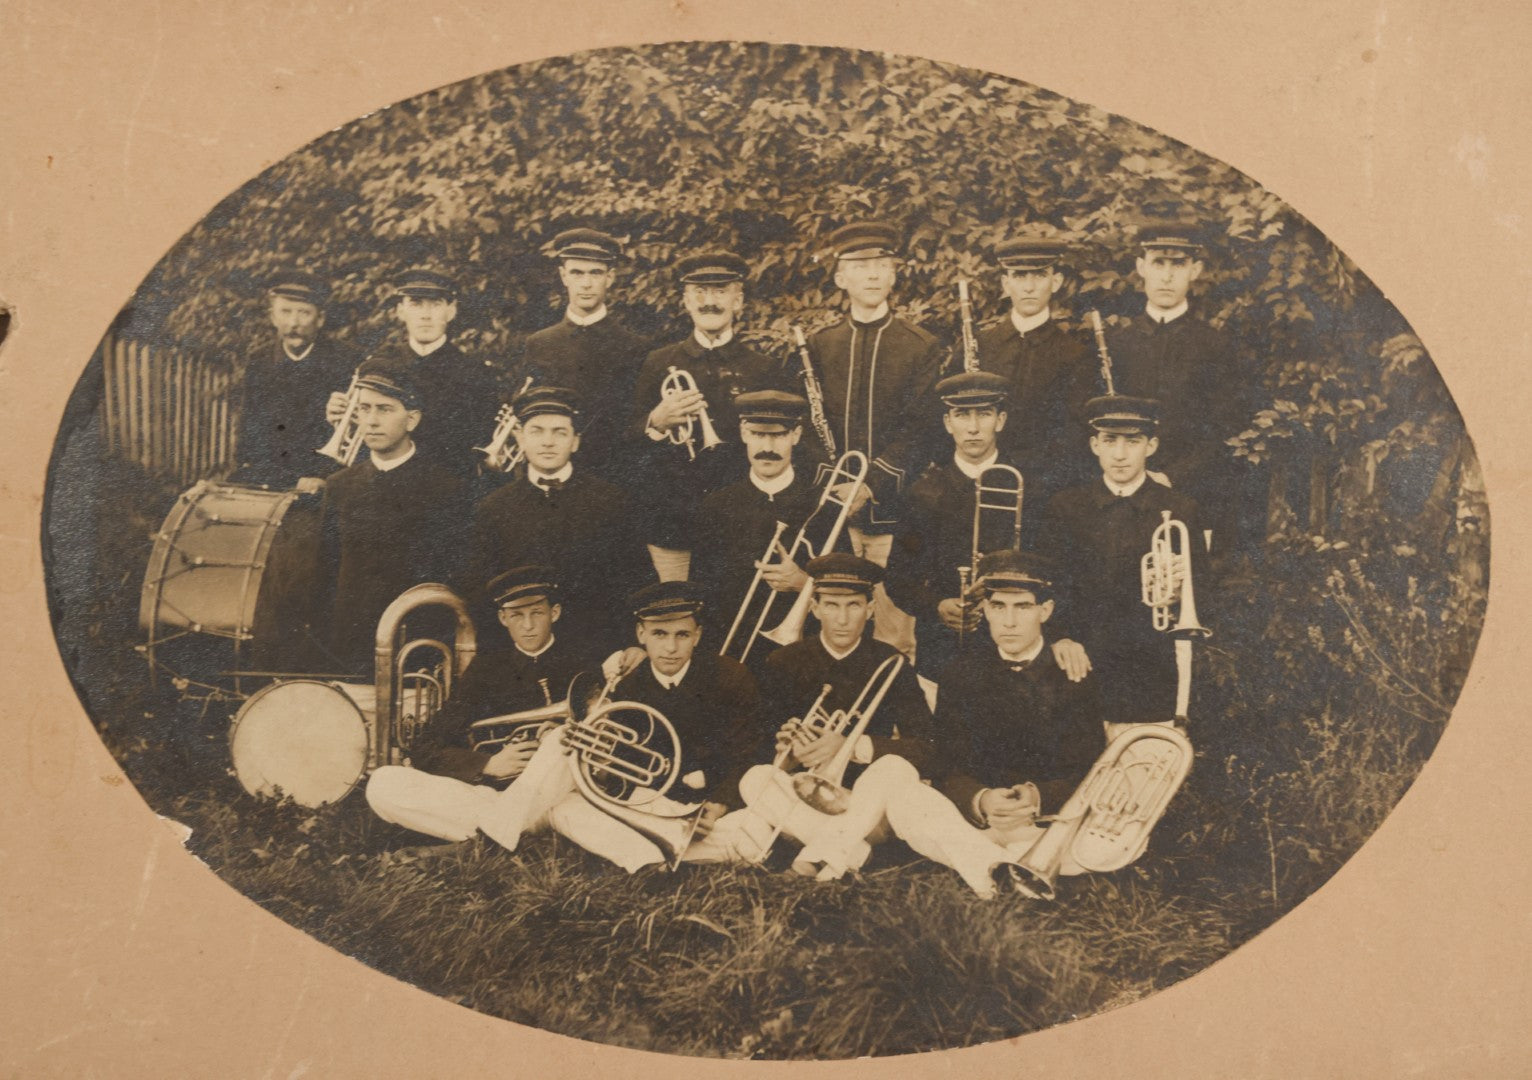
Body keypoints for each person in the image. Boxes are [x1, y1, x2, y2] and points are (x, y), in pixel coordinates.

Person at [757, 550, 1106, 899]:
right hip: (974, 821)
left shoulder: (1073, 671)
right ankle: (1002, 872)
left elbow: (1091, 770)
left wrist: (1036, 797)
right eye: (998, 607)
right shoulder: (960, 673)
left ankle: (990, 869)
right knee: (902, 796)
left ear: (1045, 611)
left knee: (1092, 847)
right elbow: (946, 762)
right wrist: (981, 799)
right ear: (985, 610)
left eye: (1023, 607)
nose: (1009, 621)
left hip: (1042, 821)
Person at [474, 581, 768, 872]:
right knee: (564, 794)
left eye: (682, 635)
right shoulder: (628, 686)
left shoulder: (730, 676)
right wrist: (602, 763)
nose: (670, 648)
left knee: (754, 835)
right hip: (648, 804)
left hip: (708, 808)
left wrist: (718, 805)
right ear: (641, 634)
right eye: (659, 634)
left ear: (697, 635)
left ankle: (650, 851)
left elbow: (748, 753)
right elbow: (623, 772)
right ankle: (652, 858)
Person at [364, 565, 603, 838]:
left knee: (563, 740)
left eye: (537, 613)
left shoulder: (582, 664)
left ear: (555, 613)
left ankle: (494, 833)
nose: (527, 625)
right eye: (516, 615)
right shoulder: (487, 668)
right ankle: (510, 828)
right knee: (383, 782)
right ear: (503, 618)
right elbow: (425, 747)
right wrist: (488, 764)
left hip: (557, 797)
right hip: (495, 795)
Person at [802, 220, 944, 656]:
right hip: (832, 514)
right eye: (860, 266)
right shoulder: (819, 345)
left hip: (893, 515)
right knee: (834, 634)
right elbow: (807, 426)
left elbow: (921, 429)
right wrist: (836, 486)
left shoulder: (921, 346)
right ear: (840, 277)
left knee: (895, 635)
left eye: (881, 265)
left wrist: (870, 485)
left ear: (894, 274)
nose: (872, 275)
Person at [1035, 394, 1205, 725]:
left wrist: (1178, 596)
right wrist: (1060, 636)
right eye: (1110, 440)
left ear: (1151, 446)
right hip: (1079, 664)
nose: (1120, 454)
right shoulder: (1065, 507)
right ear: (1094, 445)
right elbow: (1048, 587)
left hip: (1150, 671)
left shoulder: (1180, 509)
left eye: (1133, 441)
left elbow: (1205, 590)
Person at [465, 384, 647, 649]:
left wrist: (630, 646)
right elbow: (479, 592)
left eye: (559, 432)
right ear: (520, 438)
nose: (548, 442)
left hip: (597, 647)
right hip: (519, 651)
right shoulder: (493, 508)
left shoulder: (612, 501)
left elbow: (637, 580)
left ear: (575, 441)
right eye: (536, 431)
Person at [631, 251, 777, 581]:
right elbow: (629, 440)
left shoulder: (763, 368)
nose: (709, 302)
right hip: (673, 521)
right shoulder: (657, 362)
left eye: (720, 292)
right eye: (700, 292)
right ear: (686, 301)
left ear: (738, 301)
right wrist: (655, 424)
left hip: (740, 521)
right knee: (676, 605)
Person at [1097, 215, 1243, 545]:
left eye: (1178, 264)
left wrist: (1172, 476)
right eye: (1158, 263)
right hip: (1123, 492)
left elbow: (1224, 430)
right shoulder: (1117, 344)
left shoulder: (1216, 346)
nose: (1166, 276)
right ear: (1141, 267)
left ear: (1195, 270)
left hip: (1192, 493)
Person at [318, 357, 467, 673]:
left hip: (417, 655)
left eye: (384, 409)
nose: (371, 421)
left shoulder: (446, 490)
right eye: (364, 409)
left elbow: (451, 583)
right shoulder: (339, 486)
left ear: (412, 420)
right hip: (348, 653)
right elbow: (327, 574)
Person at [885, 371, 1029, 689]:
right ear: (948, 423)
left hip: (1014, 647)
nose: (973, 428)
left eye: (984, 414)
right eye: (962, 415)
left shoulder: (1026, 487)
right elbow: (897, 579)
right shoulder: (922, 493)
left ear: (1001, 420)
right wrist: (937, 606)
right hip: (942, 648)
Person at [690, 387, 838, 660]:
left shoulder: (823, 506)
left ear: (796, 435)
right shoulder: (716, 506)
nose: (767, 448)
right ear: (743, 433)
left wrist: (804, 583)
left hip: (805, 654)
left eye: (779, 435)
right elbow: (701, 592)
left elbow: (847, 592)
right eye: (758, 434)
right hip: (731, 652)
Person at [336, 267, 502, 478]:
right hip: (386, 480)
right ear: (400, 311)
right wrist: (343, 419)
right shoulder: (377, 365)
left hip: (448, 484)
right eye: (416, 304)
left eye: (435, 304)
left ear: (451, 311)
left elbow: (481, 446)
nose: (426, 315)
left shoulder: (476, 373)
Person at [517, 228, 647, 479]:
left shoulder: (636, 347)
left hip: (614, 475)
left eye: (595, 273)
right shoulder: (539, 343)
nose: (586, 283)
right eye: (577, 273)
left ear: (610, 277)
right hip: (552, 473)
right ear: (563, 276)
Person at [974, 235, 1095, 502]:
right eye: (1019, 276)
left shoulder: (1075, 355)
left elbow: (1074, 436)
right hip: (978, 484)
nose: (1029, 287)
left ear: (1056, 282)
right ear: (1006, 283)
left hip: (1043, 493)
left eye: (1039, 275)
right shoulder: (978, 346)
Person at [236, 269, 359, 488]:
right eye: (285, 312)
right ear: (273, 317)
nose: (294, 322)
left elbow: (352, 441)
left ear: (320, 319)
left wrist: (323, 479)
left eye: (304, 313)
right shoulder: (259, 361)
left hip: (326, 479)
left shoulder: (346, 361)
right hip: (271, 478)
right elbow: (249, 436)